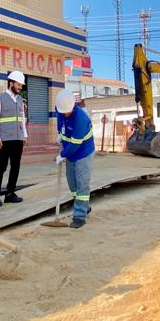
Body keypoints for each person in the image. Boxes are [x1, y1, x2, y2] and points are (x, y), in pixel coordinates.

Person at [54, 89, 95, 228]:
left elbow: (76, 144)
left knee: (82, 183)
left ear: (73, 106)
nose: (65, 114)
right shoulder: (60, 109)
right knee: (72, 183)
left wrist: (62, 155)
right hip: (69, 150)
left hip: (83, 152)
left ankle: (79, 216)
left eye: (67, 111)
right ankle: (84, 206)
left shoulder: (81, 118)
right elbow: (61, 124)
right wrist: (60, 134)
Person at [0, 70, 27, 207]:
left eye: (21, 85)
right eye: (18, 84)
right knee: (1, 167)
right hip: (4, 140)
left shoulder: (20, 100)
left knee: (15, 167)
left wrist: (25, 135)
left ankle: (10, 194)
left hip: (18, 139)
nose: (20, 87)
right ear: (11, 83)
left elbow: (22, 119)